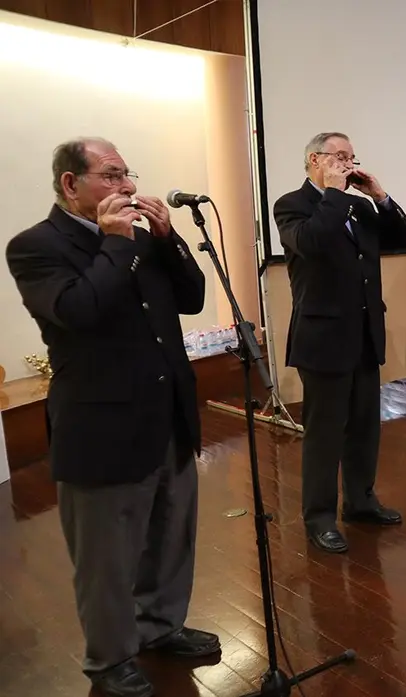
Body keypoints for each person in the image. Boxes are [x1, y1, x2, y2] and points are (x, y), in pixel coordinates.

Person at [6, 137, 219, 697]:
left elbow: (192, 298)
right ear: (70, 184)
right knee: (106, 559)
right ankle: (109, 660)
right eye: (111, 175)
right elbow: (81, 310)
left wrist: (168, 240)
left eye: (128, 175)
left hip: (167, 414)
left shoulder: (142, 241)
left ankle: (161, 627)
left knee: (172, 537)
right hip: (101, 427)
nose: (127, 187)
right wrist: (116, 242)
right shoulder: (35, 247)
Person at [273, 132, 406, 553]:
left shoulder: (358, 204)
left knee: (364, 425)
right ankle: (319, 516)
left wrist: (380, 196)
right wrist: (334, 192)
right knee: (325, 432)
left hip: (365, 331)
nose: (348, 164)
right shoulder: (291, 205)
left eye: (352, 157)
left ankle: (360, 500)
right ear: (314, 160)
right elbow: (313, 243)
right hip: (323, 336)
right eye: (339, 157)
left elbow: (401, 237)